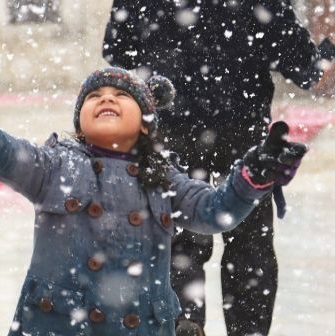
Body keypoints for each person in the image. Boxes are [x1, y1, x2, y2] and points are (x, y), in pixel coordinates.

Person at [0, 55, 306, 335]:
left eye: (121, 95)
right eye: (94, 96)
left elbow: (215, 212)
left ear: (145, 122)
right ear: (80, 120)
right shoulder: (54, 166)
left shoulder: (164, 177)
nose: (106, 99)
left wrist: (252, 177)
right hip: (59, 325)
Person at [102, 1, 335, 335]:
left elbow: (117, 51)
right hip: (243, 134)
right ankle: (247, 330)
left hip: (170, 131)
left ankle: (183, 320)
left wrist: (164, 68)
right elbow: (305, 69)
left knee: (176, 238)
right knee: (249, 246)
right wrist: (327, 47)